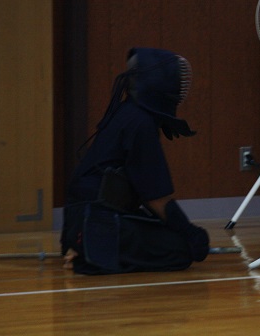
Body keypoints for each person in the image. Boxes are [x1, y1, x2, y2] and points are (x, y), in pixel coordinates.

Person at [61, 47, 210, 274]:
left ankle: (81, 245)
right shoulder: (140, 123)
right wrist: (190, 234)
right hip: (95, 221)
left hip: (81, 218)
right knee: (179, 250)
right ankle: (87, 252)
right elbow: (156, 198)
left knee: (160, 231)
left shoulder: (128, 113)